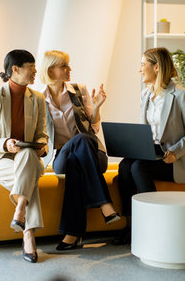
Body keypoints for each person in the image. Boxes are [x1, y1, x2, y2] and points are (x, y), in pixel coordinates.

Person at [114, 47, 185, 245]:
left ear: (156, 67)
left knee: (138, 167)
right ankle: (132, 227)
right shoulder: (145, 95)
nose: (140, 69)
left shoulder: (181, 95)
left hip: (174, 158)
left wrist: (175, 152)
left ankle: (154, 224)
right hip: (152, 153)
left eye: (143, 64)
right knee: (125, 165)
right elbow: (146, 132)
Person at [39, 50, 120, 251]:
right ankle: (104, 205)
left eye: (68, 65)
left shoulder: (79, 90)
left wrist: (98, 106)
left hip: (93, 155)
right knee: (77, 148)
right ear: (50, 70)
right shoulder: (39, 100)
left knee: (81, 148)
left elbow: (93, 129)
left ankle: (73, 234)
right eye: (64, 66)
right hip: (60, 157)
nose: (69, 69)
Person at [0, 49, 48, 263]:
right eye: (31, 68)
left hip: (28, 158)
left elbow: (42, 134)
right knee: (28, 181)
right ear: (15, 69)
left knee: (27, 155)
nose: (35, 72)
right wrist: (6, 144)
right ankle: (28, 235)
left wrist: (41, 146)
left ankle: (20, 211)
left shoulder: (38, 98)